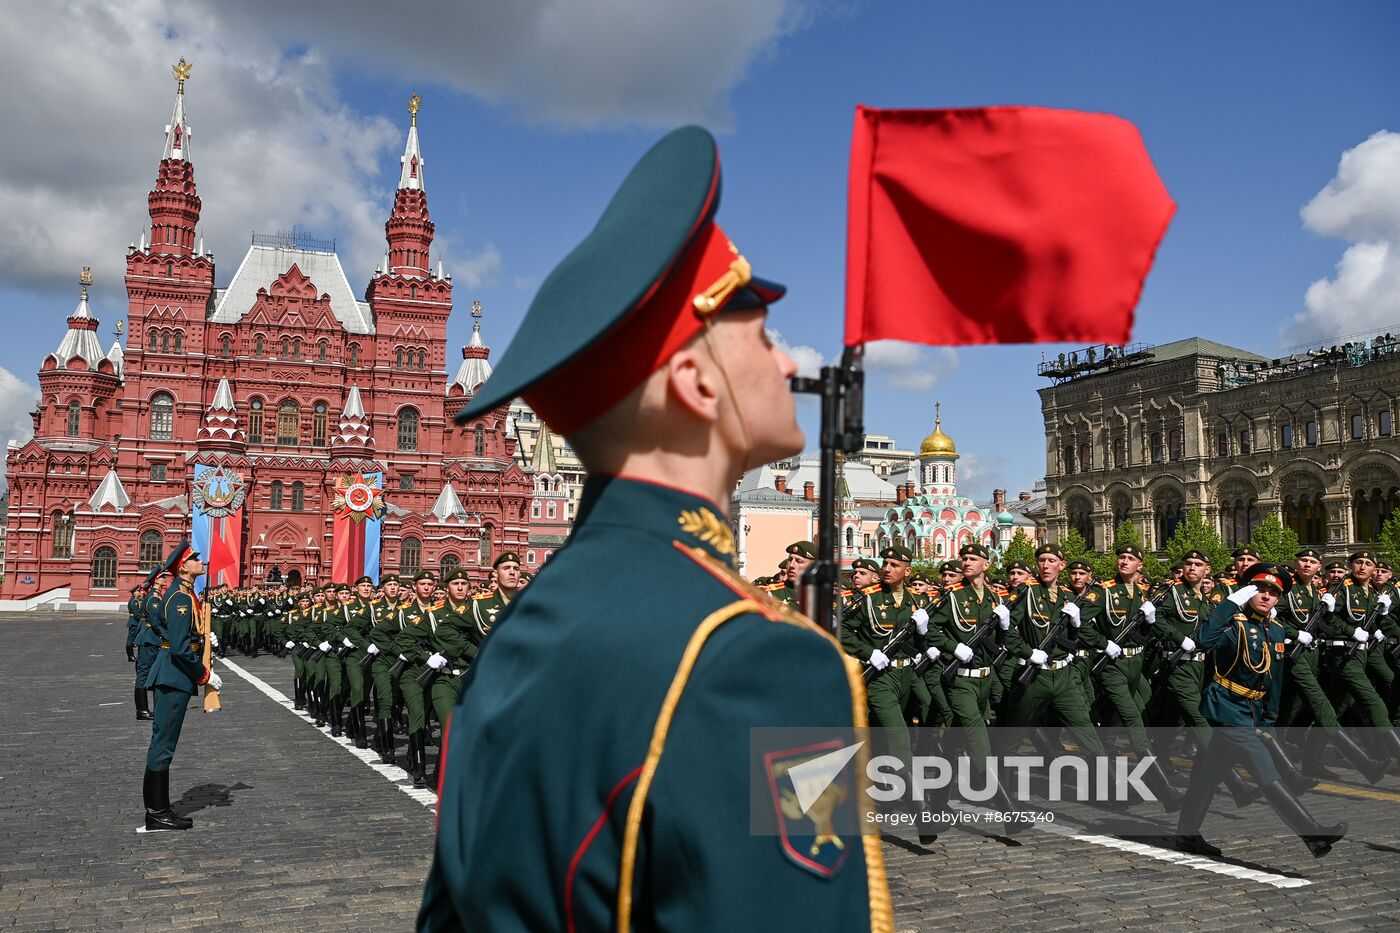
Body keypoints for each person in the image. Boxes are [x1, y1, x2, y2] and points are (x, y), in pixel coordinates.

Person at [420, 126, 888, 931]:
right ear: (697, 382)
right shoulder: (757, 659)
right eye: (765, 337)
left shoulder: (523, 629)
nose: (786, 364)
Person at [1175, 563, 1347, 858]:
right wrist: (1229, 604)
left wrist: (1269, 717)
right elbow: (1202, 642)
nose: (1266, 596)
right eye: (1260, 590)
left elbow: (1274, 678)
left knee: (1208, 773)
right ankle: (1312, 834)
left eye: (1273, 593)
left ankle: (1186, 835)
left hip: (1252, 709)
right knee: (1265, 769)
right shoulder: (1233, 624)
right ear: (1248, 592)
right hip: (1228, 708)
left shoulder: (1277, 630)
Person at [142, 541, 220, 831]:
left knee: (164, 743)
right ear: (184, 567)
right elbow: (177, 646)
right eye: (195, 559)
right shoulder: (180, 598)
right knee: (163, 745)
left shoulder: (183, 594)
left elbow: (178, 635)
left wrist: (202, 639)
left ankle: (158, 809)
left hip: (173, 674)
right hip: (173, 675)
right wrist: (203, 674)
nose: (202, 562)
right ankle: (157, 812)